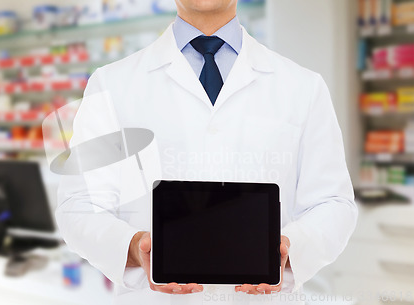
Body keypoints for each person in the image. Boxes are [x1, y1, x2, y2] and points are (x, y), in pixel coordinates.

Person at [56, 0, 358, 304]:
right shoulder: (111, 84)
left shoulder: (303, 87)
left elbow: (334, 203)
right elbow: (80, 205)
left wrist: (290, 249)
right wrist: (135, 247)